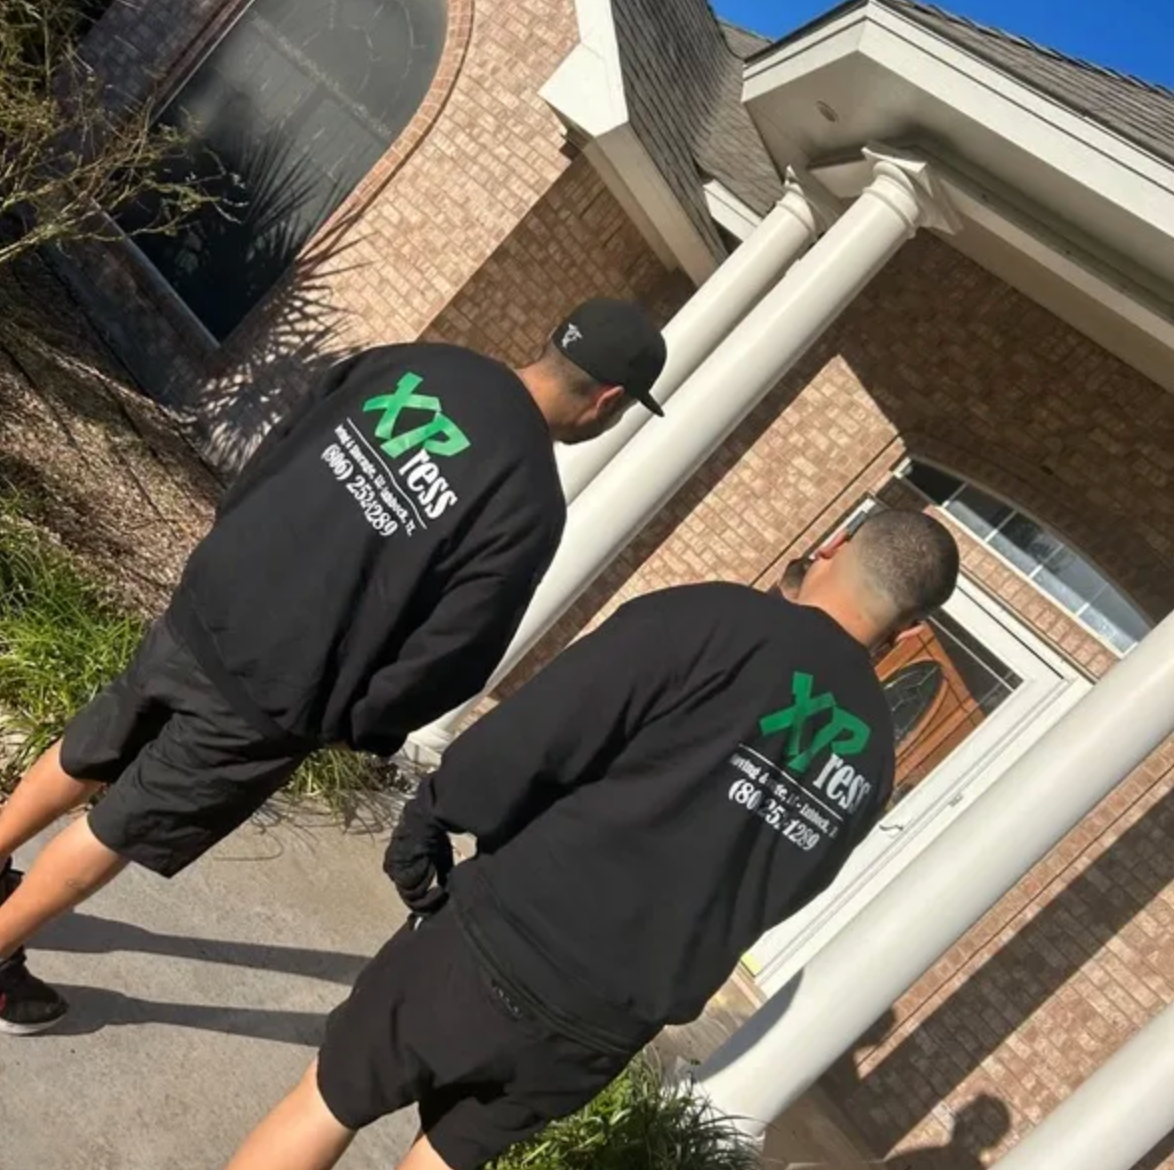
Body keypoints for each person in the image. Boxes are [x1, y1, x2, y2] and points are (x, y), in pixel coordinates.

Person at [0, 298, 668, 1034]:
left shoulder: (416, 364)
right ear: (608, 399)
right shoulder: (529, 502)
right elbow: (455, 651)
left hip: (212, 604)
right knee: (128, 824)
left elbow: (282, 443)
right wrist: (358, 722)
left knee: (95, 742)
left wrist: (230, 547)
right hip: (277, 693)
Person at [226, 508, 961, 1170]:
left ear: (832, 544)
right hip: (601, 1025)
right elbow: (782, 889)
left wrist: (436, 814)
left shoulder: (713, 622)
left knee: (331, 1100)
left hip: (501, 941)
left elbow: (544, 729)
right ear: (910, 630)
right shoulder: (870, 762)